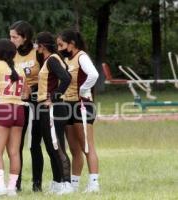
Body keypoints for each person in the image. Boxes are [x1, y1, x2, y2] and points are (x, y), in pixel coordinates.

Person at [56, 29, 99, 192]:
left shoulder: (81, 56)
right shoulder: (67, 59)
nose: (59, 48)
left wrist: (82, 90)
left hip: (83, 105)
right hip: (68, 105)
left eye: (61, 44)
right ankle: (73, 185)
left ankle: (94, 183)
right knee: (74, 149)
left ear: (72, 44)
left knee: (87, 147)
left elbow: (93, 75)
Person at [0, 39, 29, 196]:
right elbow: (26, 93)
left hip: (2, 108)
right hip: (19, 109)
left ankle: (0, 186)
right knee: (14, 151)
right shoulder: (21, 69)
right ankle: (12, 188)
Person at [35, 32, 73, 195]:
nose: (35, 47)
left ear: (42, 46)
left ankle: (67, 183)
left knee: (57, 146)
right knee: (51, 147)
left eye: (37, 44)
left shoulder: (51, 59)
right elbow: (69, 75)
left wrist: (55, 97)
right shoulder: (51, 60)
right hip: (46, 108)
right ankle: (57, 182)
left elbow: (66, 78)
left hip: (54, 108)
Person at [9, 20, 43, 192]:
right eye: (10, 36)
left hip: (36, 101)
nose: (12, 40)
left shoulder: (37, 52)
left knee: (35, 143)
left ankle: (37, 185)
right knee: (17, 143)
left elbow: (47, 76)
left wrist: (33, 90)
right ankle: (16, 184)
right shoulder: (10, 53)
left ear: (25, 37)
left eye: (15, 37)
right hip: (18, 101)